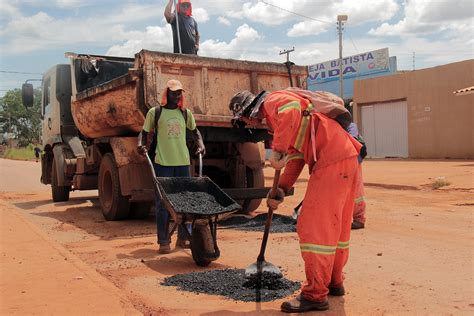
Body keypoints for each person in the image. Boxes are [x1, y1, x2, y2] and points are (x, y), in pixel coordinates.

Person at [229, 89, 361, 313]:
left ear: (246, 110)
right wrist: (281, 188)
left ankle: (315, 295)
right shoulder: (279, 121)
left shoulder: (273, 101)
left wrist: (278, 150)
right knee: (335, 227)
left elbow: (290, 110)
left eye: (242, 119)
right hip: (344, 157)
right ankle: (333, 282)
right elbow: (297, 155)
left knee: (314, 229)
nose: (246, 123)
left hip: (331, 159)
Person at [137, 79, 205, 254]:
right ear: (167, 94)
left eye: (179, 93)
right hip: (163, 163)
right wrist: (141, 145)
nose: (177, 96)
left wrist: (200, 144)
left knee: (184, 202)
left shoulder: (185, 113)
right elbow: (144, 133)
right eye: (174, 93)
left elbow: (195, 131)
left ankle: (183, 238)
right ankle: (163, 241)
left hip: (183, 163)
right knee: (162, 204)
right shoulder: (156, 112)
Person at [347, 121, 367, 229]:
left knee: (356, 191)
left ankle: (359, 219)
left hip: (354, 160)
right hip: (343, 160)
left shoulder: (350, 126)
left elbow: (351, 139)